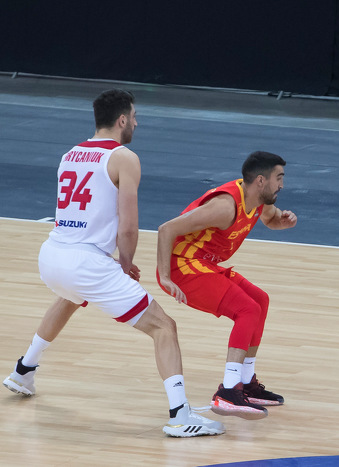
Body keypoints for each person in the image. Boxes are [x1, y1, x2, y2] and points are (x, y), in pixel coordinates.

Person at [3, 89, 224, 438]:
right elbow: (128, 226)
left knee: (70, 297)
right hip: (85, 262)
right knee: (164, 327)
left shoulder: (70, 154)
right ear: (122, 120)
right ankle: (180, 415)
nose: (136, 123)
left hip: (51, 255)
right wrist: (125, 263)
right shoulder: (124, 158)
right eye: (134, 117)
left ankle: (23, 370)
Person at [156, 151, 296, 420]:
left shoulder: (259, 200)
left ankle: (246, 382)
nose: (282, 184)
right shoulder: (225, 206)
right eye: (279, 178)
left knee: (260, 300)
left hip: (204, 263)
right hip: (183, 266)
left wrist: (283, 222)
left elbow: (270, 218)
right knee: (247, 309)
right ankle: (228, 391)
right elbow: (166, 229)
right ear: (261, 181)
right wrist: (164, 276)